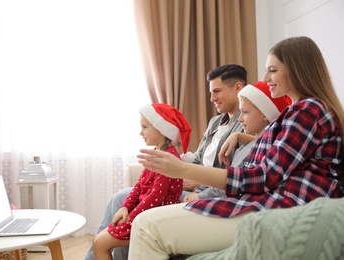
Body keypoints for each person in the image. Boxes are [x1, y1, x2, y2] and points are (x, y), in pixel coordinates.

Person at [131, 36, 344, 259]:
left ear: (298, 70)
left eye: (272, 70)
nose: (264, 78)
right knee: (147, 221)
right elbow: (288, 153)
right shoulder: (302, 112)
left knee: (146, 226)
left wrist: (182, 170)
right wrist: (241, 137)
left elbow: (265, 176)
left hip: (279, 207)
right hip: (269, 201)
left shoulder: (308, 110)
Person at [85, 64, 247, 259]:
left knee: (124, 201)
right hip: (189, 188)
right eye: (211, 92)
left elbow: (238, 176)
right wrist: (182, 169)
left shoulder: (245, 126)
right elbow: (197, 160)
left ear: (237, 88)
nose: (212, 98)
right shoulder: (215, 122)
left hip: (204, 194)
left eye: (217, 91)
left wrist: (198, 184)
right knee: (121, 199)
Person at [92, 103, 191, 260]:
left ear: (161, 129)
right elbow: (139, 186)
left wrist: (131, 216)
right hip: (142, 215)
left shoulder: (167, 158)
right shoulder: (156, 153)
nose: (140, 132)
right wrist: (125, 207)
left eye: (144, 127)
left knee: (100, 243)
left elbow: (156, 197)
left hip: (152, 219)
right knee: (99, 240)